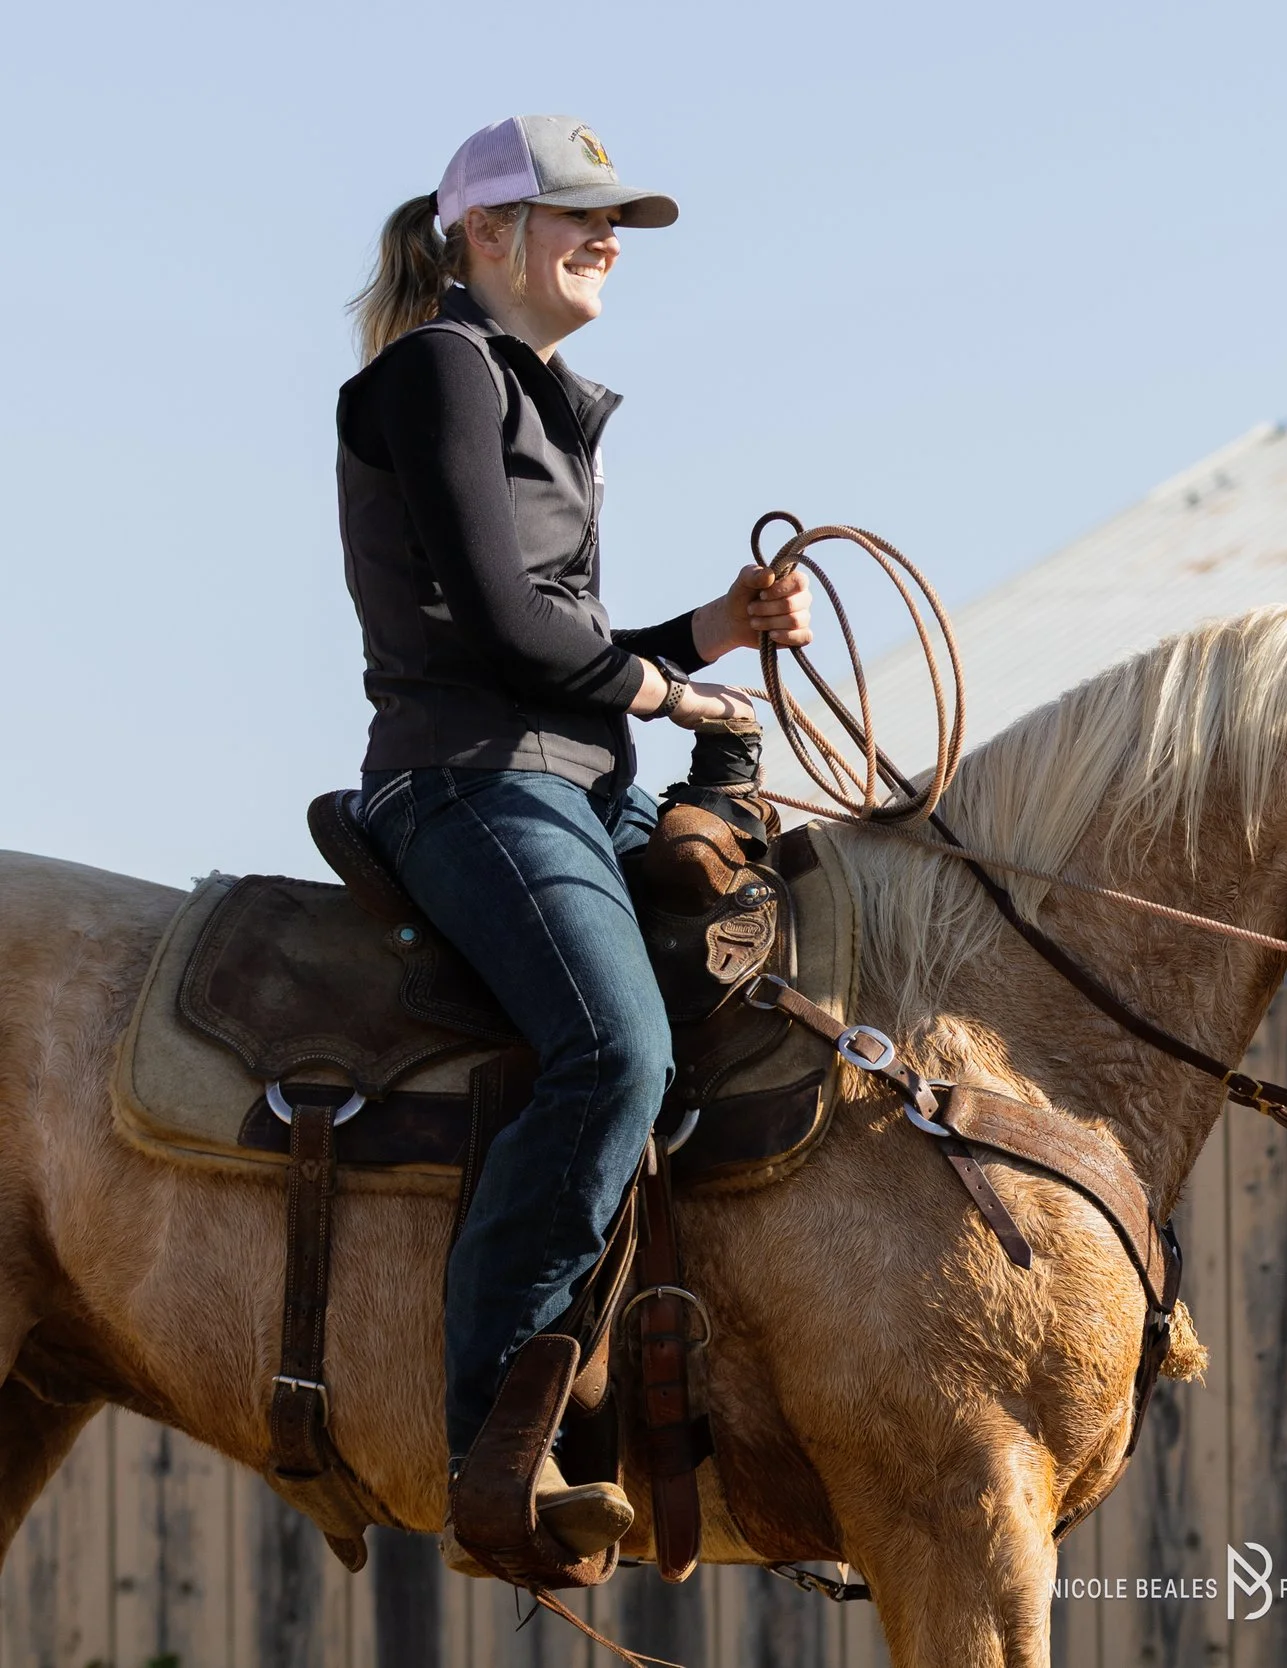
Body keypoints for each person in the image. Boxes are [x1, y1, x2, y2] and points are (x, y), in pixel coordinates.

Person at [338, 115, 811, 1557]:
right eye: (579, 219)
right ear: (486, 234)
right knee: (619, 1050)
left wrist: (707, 636)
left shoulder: (531, 388)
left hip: (571, 774)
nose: (609, 241)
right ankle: (497, 1440)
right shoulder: (437, 371)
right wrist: (670, 688)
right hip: (470, 779)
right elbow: (498, 624)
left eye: (616, 223)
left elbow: (563, 639)